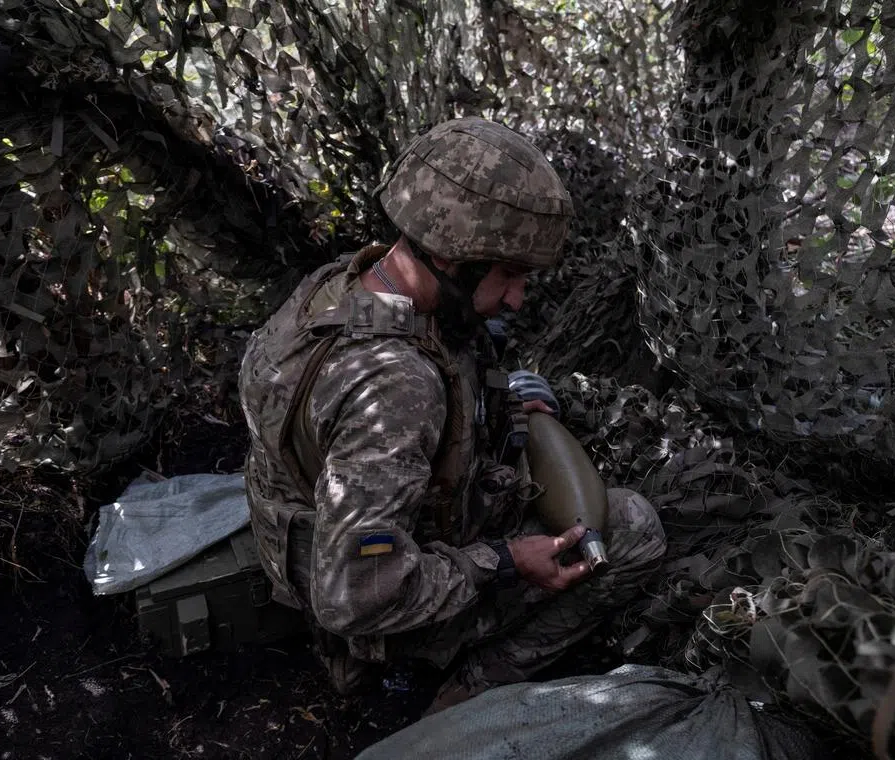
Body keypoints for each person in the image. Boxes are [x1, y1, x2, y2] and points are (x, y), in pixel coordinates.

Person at [239, 117, 665, 712]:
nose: (517, 298)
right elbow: (354, 597)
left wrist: (498, 406)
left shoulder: (340, 285)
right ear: (448, 254)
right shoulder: (396, 388)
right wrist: (506, 561)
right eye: (508, 274)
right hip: (377, 614)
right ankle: (464, 690)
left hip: (321, 544)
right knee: (632, 527)